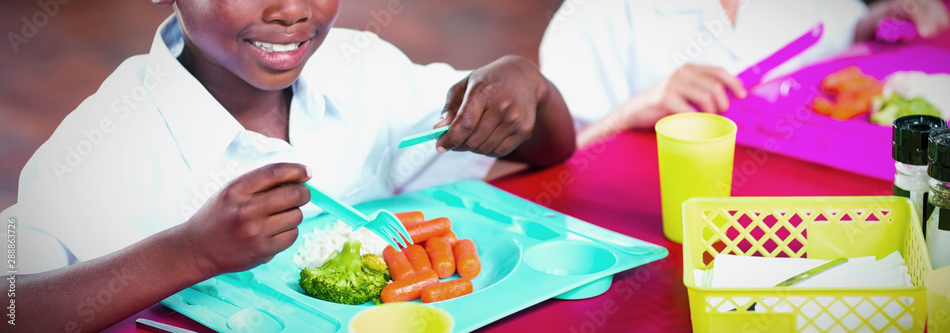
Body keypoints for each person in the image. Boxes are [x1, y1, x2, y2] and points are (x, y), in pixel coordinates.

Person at [1, 0, 575, 331]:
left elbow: (547, 151)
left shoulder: (364, 69)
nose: (292, 10)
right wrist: (188, 253)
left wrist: (529, 83)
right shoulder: (101, 147)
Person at [540, 0, 950, 146]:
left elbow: (845, 27)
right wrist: (632, 111)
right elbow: (546, 176)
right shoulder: (593, 16)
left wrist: (887, 17)